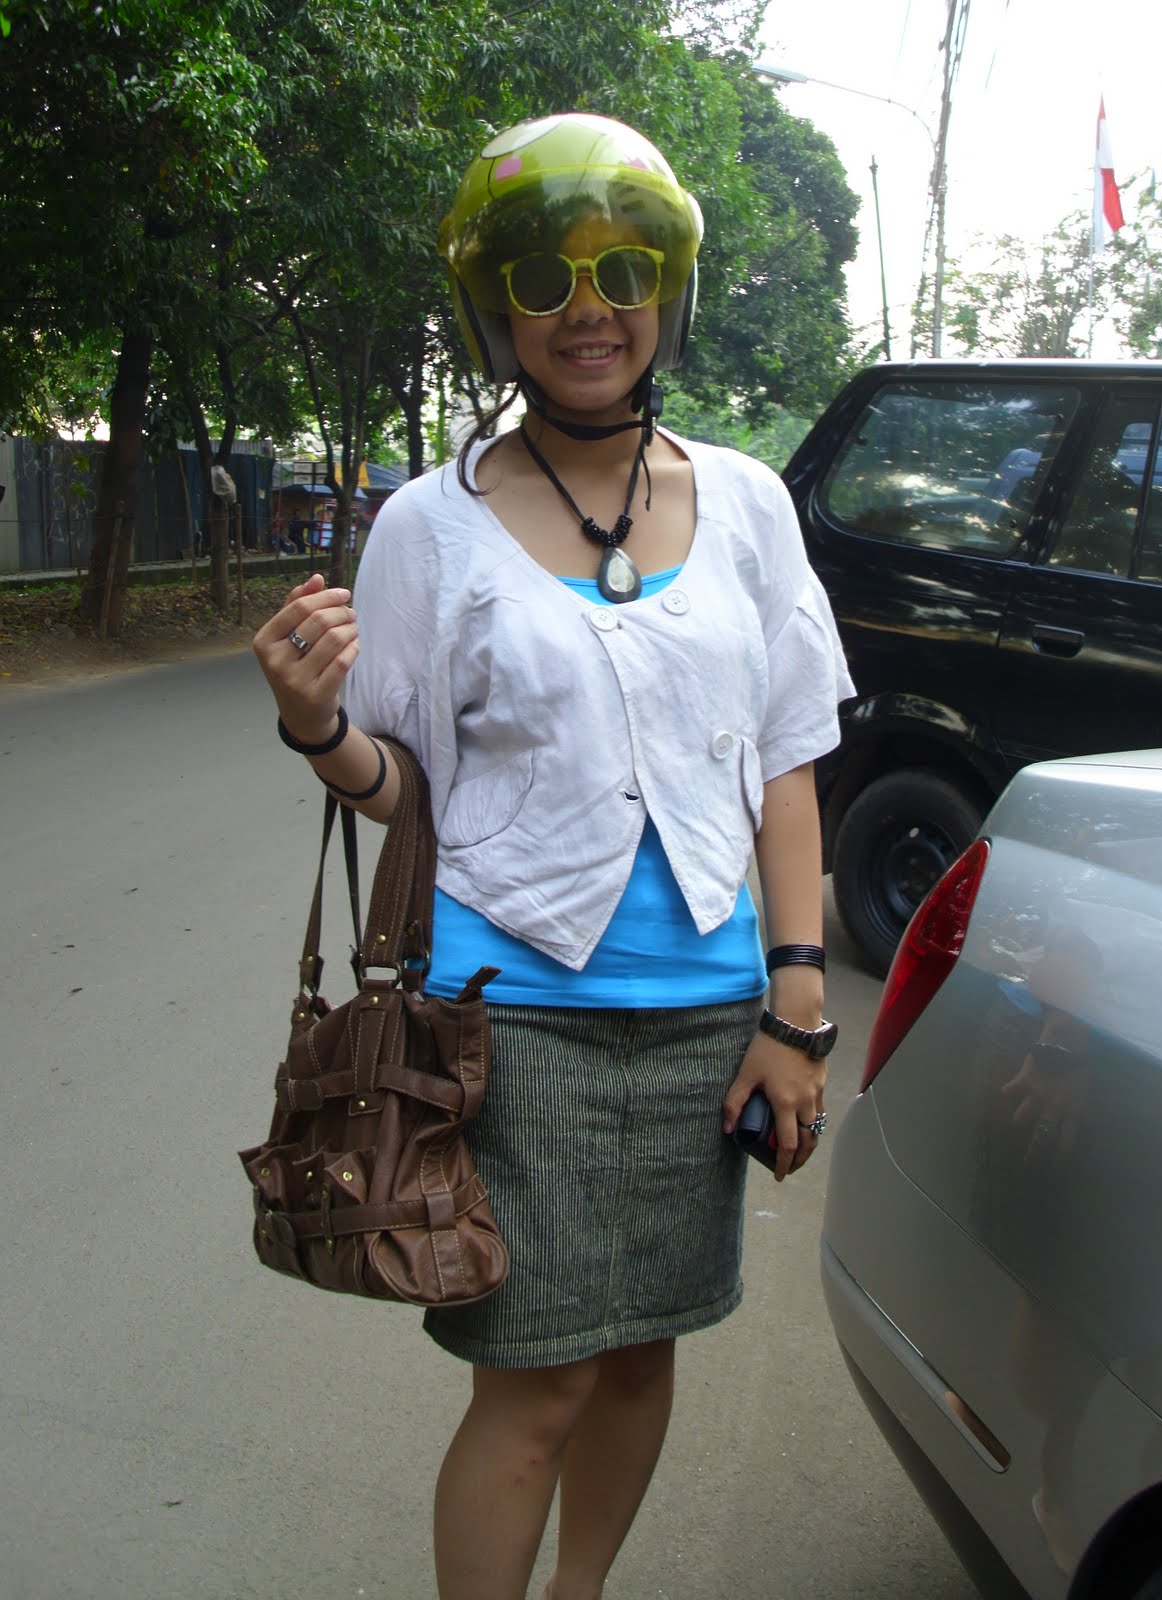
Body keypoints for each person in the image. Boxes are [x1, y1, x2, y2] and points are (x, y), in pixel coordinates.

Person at [253, 112, 853, 1600]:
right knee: (536, 1383)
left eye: (623, 271)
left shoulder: (751, 505)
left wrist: (796, 1009)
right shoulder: (430, 527)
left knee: (641, 1353)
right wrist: (317, 728)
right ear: (496, 312)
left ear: (667, 294)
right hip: (509, 1022)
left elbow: (786, 763)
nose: (589, 308)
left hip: (709, 1017)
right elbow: (406, 785)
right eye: (544, 280)